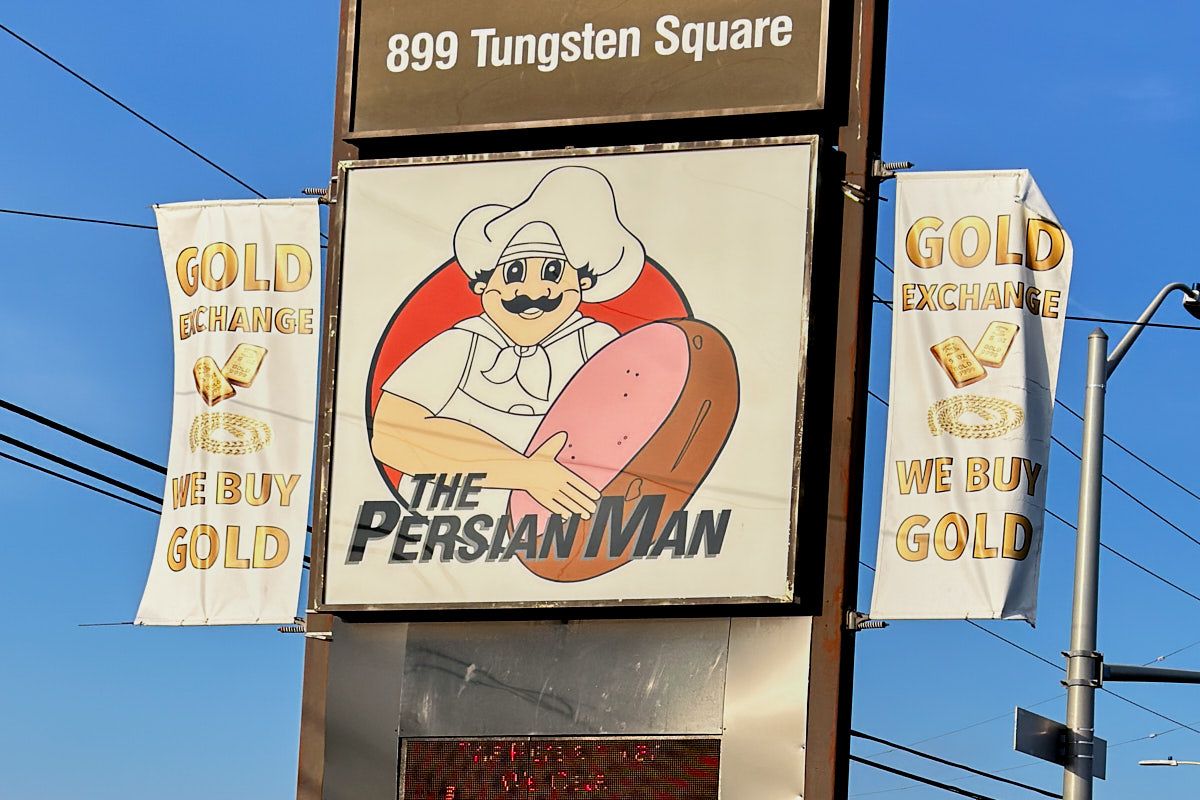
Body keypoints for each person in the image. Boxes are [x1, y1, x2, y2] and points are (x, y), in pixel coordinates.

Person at [371, 166, 644, 520]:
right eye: (514, 272)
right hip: (441, 529)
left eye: (553, 272)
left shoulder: (596, 345)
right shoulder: (463, 345)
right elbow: (391, 435)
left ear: (583, 282)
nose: (533, 291)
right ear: (482, 284)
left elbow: (638, 429)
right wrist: (525, 473)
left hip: (560, 534)